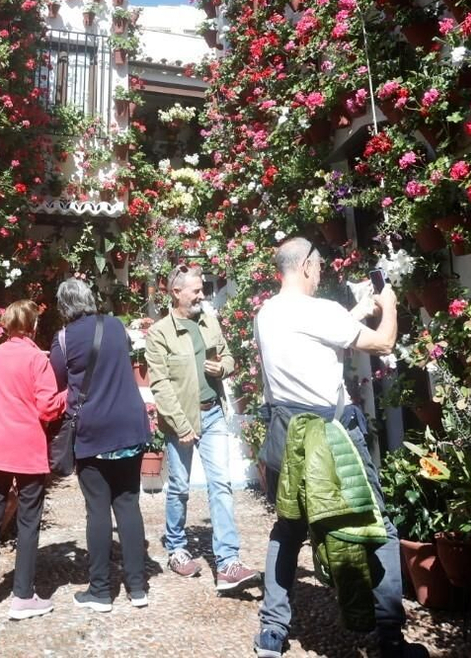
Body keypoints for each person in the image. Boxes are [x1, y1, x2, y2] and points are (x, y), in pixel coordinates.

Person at [252, 237, 427, 658]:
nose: (321, 273)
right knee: (377, 524)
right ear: (306, 266)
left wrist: (355, 313)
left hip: (289, 432)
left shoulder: (267, 313)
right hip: (333, 435)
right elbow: (383, 343)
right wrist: (389, 306)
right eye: (318, 266)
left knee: (289, 529)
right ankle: (390, 638)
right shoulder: (321, 311)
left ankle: (272, 631)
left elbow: (312, 338)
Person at [144, 264, 260, 591]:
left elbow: (228, 357)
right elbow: (160, 385)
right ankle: (177, 548)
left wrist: (222, 368)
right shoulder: (160, 333)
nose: (201, 295)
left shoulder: (209, 321)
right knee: (179, 487)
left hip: (213, 415)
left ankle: (228, 562)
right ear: (175, 292)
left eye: (202, 289)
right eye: (195, 290)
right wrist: (181, 425)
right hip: (180, 420)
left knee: (221, 483)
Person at [49, 277, 152, 612]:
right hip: (130, 426)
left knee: (97, 509)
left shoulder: (64, 339)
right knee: (128, 504)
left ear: (63, 306)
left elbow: (57, 380)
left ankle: (100, 591)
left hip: (93, 430)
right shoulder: (116, 326)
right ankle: (137, 588)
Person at [0, 300, 66, 621]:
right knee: (27, 522)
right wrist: (69, 395)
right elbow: (47, 408)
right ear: (34, 326)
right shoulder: (38, 360)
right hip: (27, 449)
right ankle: (23, 596)